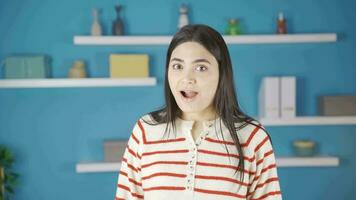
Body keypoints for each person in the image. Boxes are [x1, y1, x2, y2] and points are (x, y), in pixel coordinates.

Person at [115, 24, 282, 200]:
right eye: (177, 66)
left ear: (221, 74)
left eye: (201, 68)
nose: (187, 78)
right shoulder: (145, 131)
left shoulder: (253, 137)